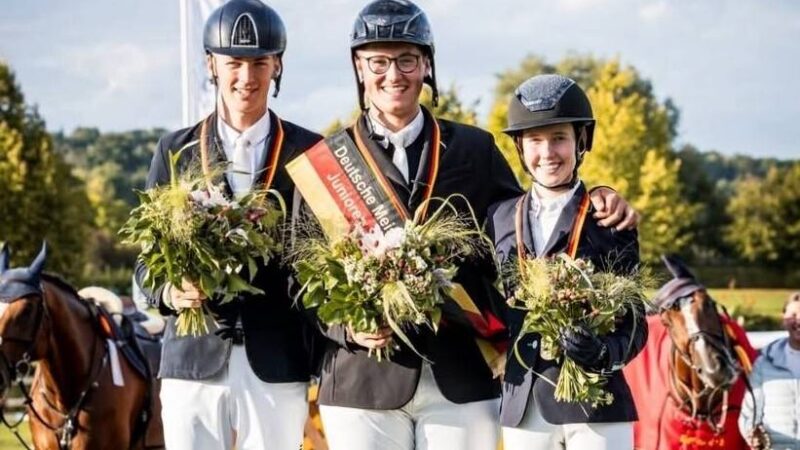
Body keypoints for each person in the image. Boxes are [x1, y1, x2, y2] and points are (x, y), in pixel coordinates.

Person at [308, 3, 639, 449]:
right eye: (378, 61)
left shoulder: (475, 149)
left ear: (426, 65)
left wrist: (598, 193)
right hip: (362, 379)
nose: (394, 74)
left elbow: (536, 221)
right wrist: (347, 329)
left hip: (462, 378)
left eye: (406, 59)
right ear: (359, 67)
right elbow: (302, 279)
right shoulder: (326, 162)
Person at [134, 1, 321, 449]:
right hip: (192, 361)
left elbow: (322, 259)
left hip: (276, 362)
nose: (247, 77)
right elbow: (145, 267)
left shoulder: (310, 151)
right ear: (211, 65)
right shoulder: (174, 151)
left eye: (260, 62)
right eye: (234, 62)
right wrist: (170, 291)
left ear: (277, 65)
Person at [487, 74, 648, 450]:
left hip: (597, 404)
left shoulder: (609, 218)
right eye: (536, 141)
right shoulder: (498, 217)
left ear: (580, 142)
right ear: (520, 148)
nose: (548, 153)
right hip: (523, 403)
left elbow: (636, 318)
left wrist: (606, 354)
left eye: (559, 138)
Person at [740, 291, 800, 449]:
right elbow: (750, 412)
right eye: (793, 314)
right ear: (784, 319)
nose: (798, 320)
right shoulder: (764, 364)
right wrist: (752, 433)